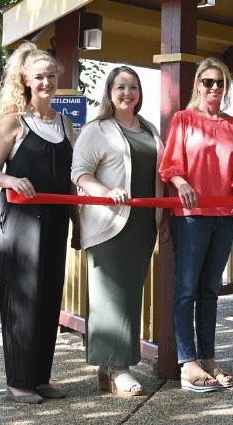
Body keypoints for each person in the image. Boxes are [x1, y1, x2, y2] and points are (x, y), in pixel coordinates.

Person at [0, 42, 75, 403]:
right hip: (21, 223)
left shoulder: (67, 123)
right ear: (25, 80)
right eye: (39, 76)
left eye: (51, 75)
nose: (46, 82)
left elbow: (70, 180)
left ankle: (40, 376)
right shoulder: (13, 122)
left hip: (56, 221)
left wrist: (80, 227)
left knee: (50, 295)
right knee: (23, 299)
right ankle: (18, 380)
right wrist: (11, 180)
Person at [158, 56, 233, 392]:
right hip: (191, 217)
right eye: (208, 82)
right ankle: (188, 361)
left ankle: (208, 357)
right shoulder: (183, 119)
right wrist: (181, 183)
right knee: (186, 290)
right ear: (198, 84)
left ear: (227, 87)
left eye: (220, 83)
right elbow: (169, 165)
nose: (214, 88)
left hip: (224, 217)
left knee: (210, 291)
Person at [71, 66, 165, 396]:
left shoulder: (150, 129)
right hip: (109, 223)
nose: (128, 93)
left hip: (142, 225)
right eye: (121, 87)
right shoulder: (97, 129)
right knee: (110, 296)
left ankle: (109, 362)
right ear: (110, 92)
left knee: (129, 295)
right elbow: (79, 173)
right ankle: (118, 367)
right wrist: (105, 191)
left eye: (134, 87)